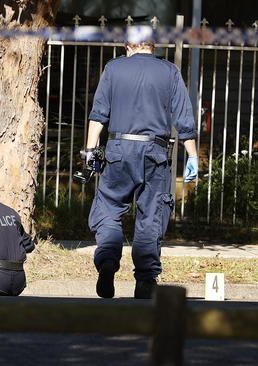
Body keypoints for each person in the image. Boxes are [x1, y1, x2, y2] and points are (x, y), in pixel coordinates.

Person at [85, 30, 198, 299]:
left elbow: (99, 114)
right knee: (151, 214)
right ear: (152, 46)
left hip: (118, 149)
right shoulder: (169, 71)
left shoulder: (113, 68)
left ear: (128, 45)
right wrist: (192, 156)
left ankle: (108, 264)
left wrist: (90, 149)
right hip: (155, 151)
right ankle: (146, 280)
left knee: (109, 208)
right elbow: (184, 119)